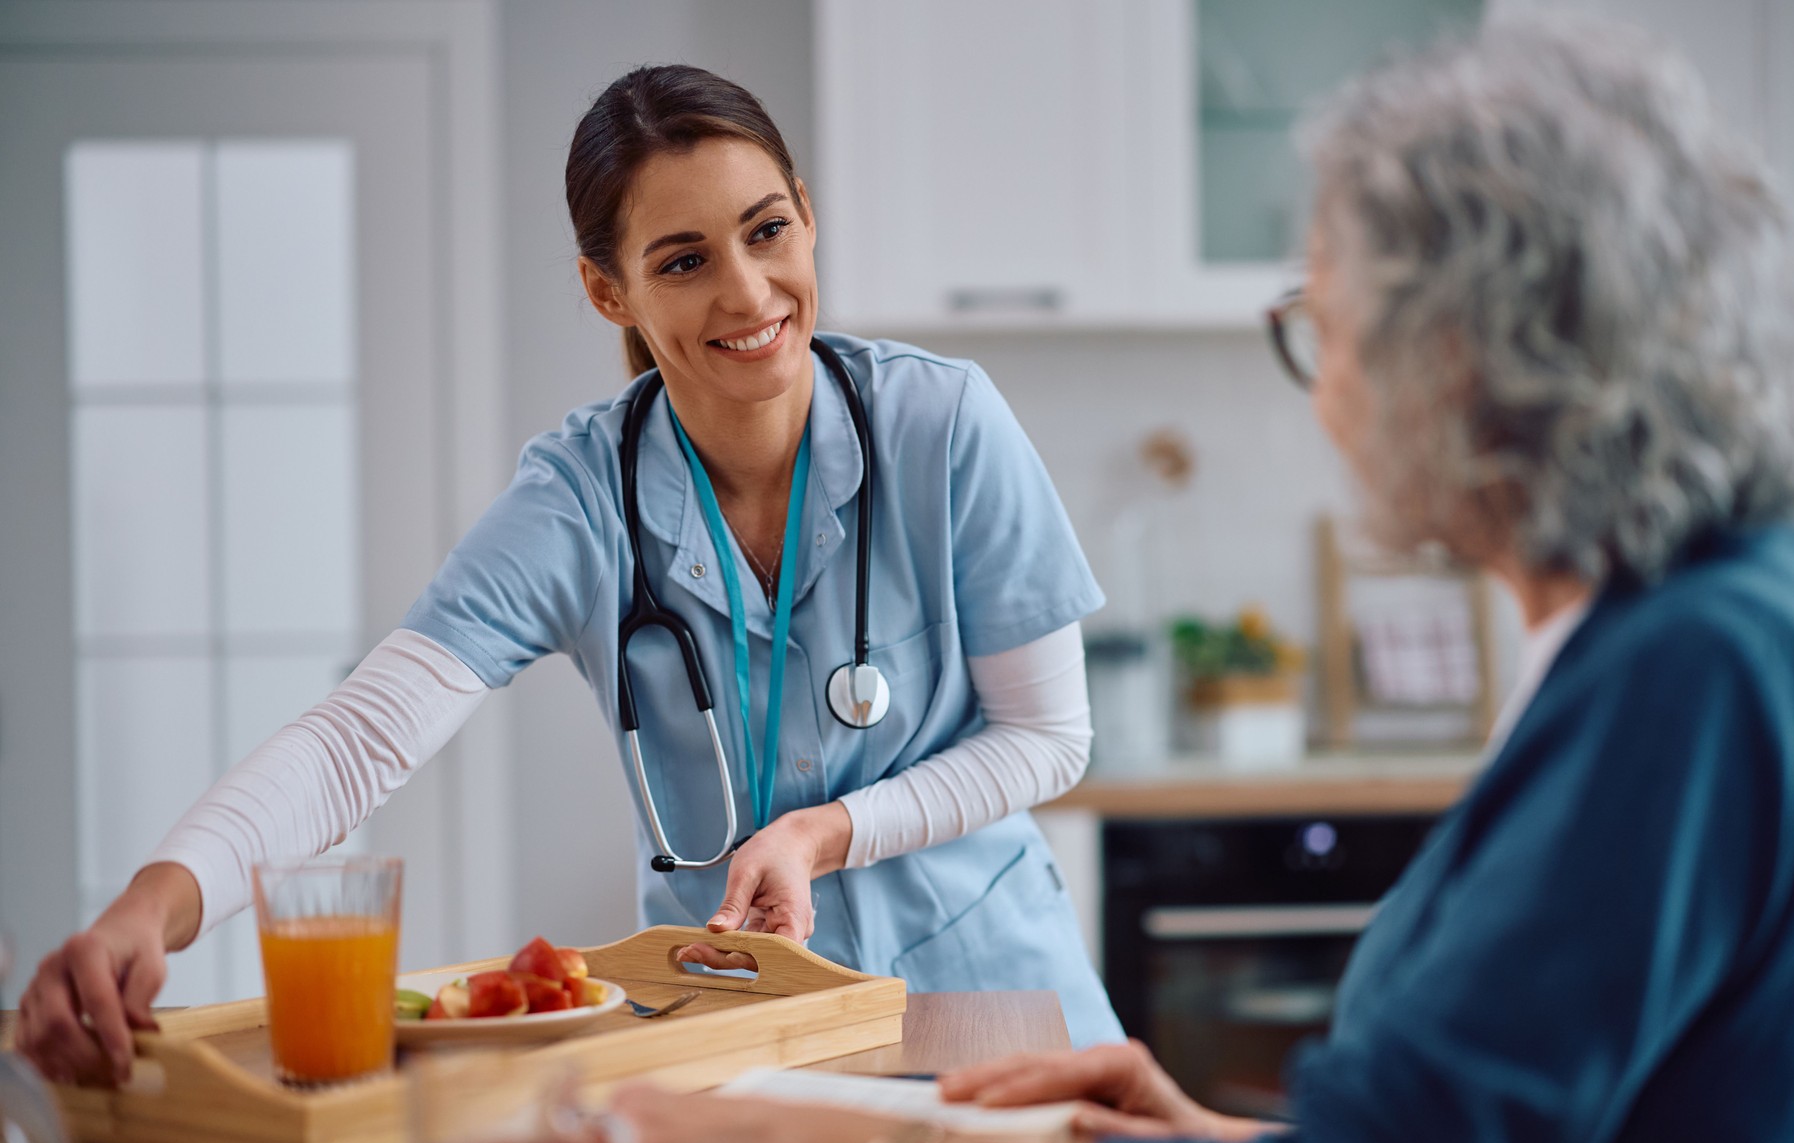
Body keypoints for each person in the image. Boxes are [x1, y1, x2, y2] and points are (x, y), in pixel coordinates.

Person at [571, 19, 1794, 1143]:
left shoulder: (1696, 671)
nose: (1321, 387)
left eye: (1326, 327)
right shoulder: (1745, 604)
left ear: (1466, 355)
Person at [16, 64, 1123, 1085]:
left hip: (989, 999)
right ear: (610, 293)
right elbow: (359, 740)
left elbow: (1046, 736)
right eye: (683, 261)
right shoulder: (579, 497)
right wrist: (144, 910)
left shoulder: (942, 424)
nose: (747, 293)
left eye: (766, 230)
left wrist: (825, 832)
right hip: (730, 1031)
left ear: (806, 216)